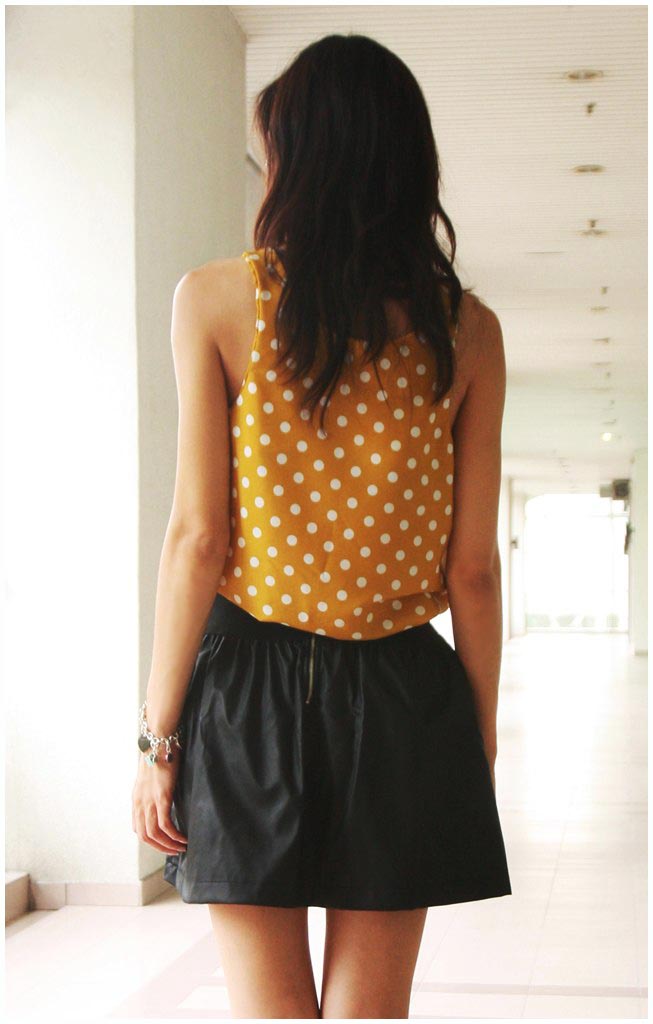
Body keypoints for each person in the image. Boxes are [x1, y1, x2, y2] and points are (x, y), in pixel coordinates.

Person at [131, 32, 511, 1020]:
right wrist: (473, 735)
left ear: (292, 155)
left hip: (248, 688)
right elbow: (472, 569)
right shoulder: (465, 330)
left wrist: (156, 739)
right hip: (401, 691)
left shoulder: (216, 301)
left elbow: (198, 540)